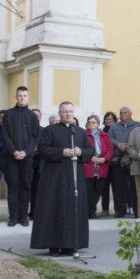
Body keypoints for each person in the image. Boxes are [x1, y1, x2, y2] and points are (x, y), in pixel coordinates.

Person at [31, 101, 94, 256]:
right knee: (55, 208)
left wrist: (80, 152)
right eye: (65, 111)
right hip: (55, 178)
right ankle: (54, 245)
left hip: (74, 177)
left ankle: (71, 244)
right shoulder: (50, 130)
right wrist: (61, 152)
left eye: (71, 111)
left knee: (74, 209)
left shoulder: (79, 132)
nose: (68, 114)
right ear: (59, 113)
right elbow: (42, 149)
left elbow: (90, 150)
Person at [2, 86, 40, 227]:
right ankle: (13, 217)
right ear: (16, 97)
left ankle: (23, 216)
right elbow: (5, 135)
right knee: (13, 186)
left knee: (25, 186)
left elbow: (35, 137)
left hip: (27, 157)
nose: (22, 98)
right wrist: (13, 151)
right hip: (11, 157)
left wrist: (26, 151)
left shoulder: (32, 116)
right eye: (20, 95)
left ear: (28, 97)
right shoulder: (8, 114)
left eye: (24, 95)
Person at [108, 106, 140, 218]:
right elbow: (109, 138)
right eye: (121, 113)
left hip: (133, 160)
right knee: (118, 187)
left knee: (134, 186)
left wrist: (128, 146)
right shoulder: (114, 126)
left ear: (131, 114)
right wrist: (118, 144)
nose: (123, 115)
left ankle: (137, 211)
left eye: (125, 113)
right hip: (117, 159)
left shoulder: (137, 125)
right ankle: (120, 210)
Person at [85, 115, 114, 218]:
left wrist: (105, 158)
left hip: (100, 165)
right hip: (89, 164)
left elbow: (110, 149)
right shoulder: (84, 134)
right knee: (88, 189)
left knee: (98, 188)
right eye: (89, 122)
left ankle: (91, 210)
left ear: (98, 124)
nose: (91, 124)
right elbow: (81, 148)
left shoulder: (104, 135)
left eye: (93, 122)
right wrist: (90, 157)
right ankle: (89, 212)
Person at [100, 111, 117, 216]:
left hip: (115, 163)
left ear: (115, 120)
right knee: (104, 188)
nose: (108, 121)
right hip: (104, 163)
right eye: (106, 119)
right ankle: (105, 209)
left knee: (117, 187)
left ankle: (117, 209)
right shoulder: (101, 132)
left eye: (110, 119)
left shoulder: (117, 130)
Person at [29, 108, 44, 220]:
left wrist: (38, 149)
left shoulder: (44, 130)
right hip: (26, 162)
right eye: (34, 115)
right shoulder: (25, 130)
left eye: (38, 116)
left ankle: (34, 212)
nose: (36, 117)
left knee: (37, 190)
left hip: (39, 164)